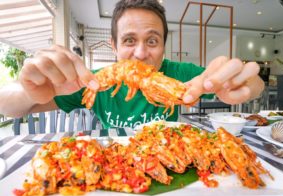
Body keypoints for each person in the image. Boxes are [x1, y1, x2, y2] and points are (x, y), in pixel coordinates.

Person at [0, 0, 264, 129]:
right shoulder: (93, 81)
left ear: (163, 46)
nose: (140, 53)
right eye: (129, 40)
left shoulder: (180, 75)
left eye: (152, 41)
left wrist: (245, 81)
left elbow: (254, 83)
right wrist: (27, 89)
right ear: (113, 45)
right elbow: (8, 106)